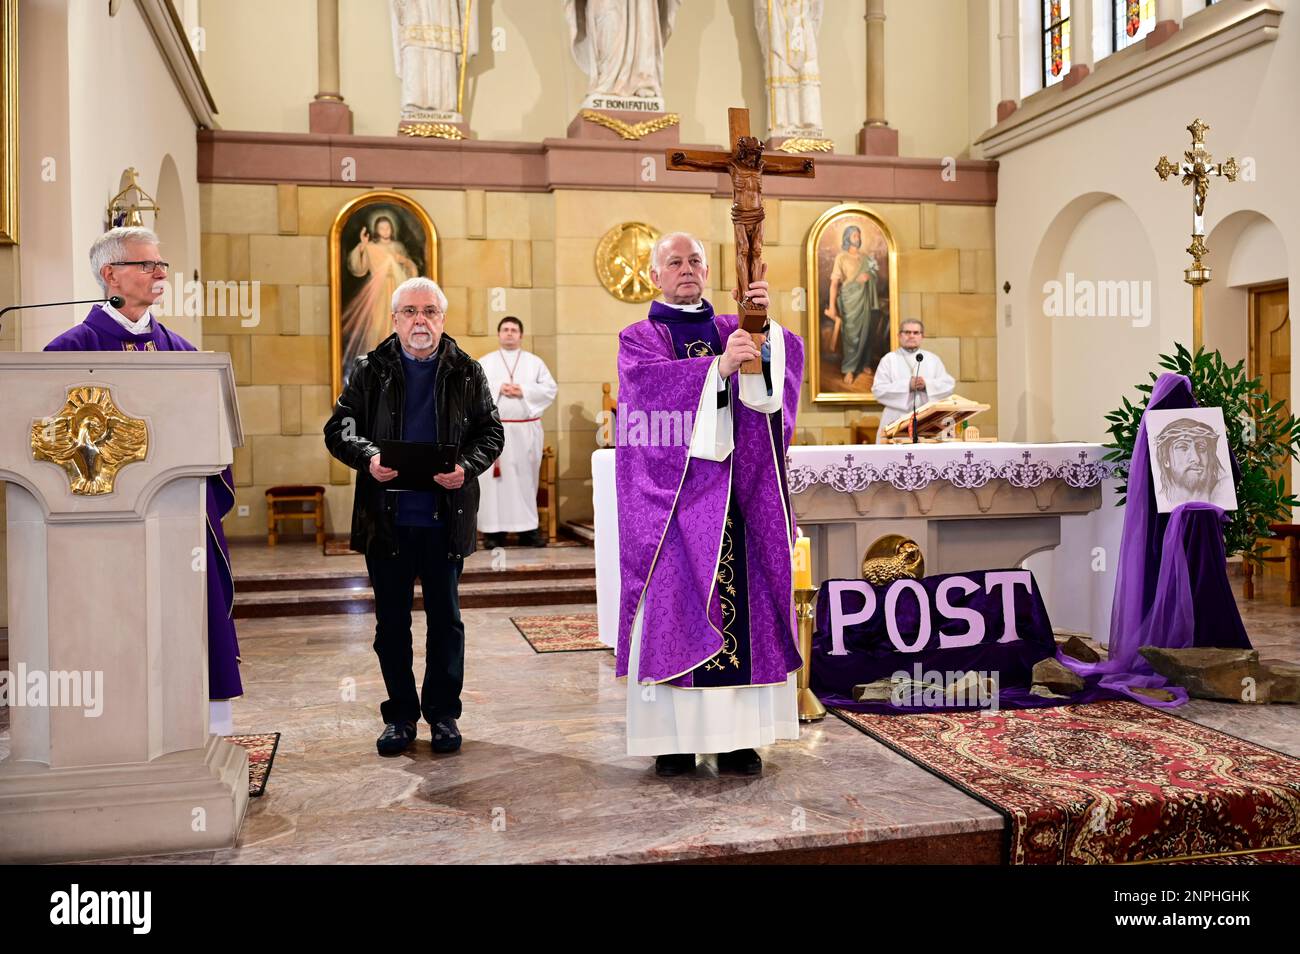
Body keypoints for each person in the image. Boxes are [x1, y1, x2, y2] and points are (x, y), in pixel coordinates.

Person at [615, 231, 804, 778]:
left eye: (695, 260)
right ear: (655, 275)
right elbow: (647, 402)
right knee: (676, 610)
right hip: (674, 501)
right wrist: (716, 370)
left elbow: (771, 396)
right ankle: (672, 742)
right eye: (674, 262)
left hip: (737, 498)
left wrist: (765, 329)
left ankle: (737, 739)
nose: (686, 269)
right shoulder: (640, 337)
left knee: (743, 608)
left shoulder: (731, 325)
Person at [44, 226, 242, 733]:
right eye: (147, 265)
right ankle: (106, 724)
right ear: (110, 274)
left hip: (179, 519)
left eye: (162, 265)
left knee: (190, 614)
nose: (160, 274)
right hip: (102, 524)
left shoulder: (185, 353)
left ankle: (204, 724)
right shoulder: (69, 351)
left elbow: (212, 433)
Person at [324, 277, 504, 756]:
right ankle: (400, 716)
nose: (419, 320)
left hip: (445, 517)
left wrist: (466, 468)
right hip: (388, 520)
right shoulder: (370, 369)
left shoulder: (467, 371)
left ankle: (444, 715)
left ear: (443, 319)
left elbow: (491, 433)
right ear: (395, 319)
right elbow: (339, 429)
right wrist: (368, 458)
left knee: (446, 621)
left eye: (429, 311)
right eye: (409, 312)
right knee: (391, 624)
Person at [477, 316, 558, 548]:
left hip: (526, 431)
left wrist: (523, 389)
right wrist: (498, 388)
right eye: (505, 329)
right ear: (499, 334)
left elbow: (550, 389)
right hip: (494, 432)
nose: (509, 333)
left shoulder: (535, 362)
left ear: (521, 335)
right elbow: (472, 391)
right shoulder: (485, 362)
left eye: (514, 330)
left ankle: (528, 531)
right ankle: (494, 532)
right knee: (495, 483)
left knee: (525, 480)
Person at [870, 318, 955, 442]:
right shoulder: (889, 360)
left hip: (926, 420)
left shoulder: (932, 359)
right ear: (899, 335)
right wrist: (907, 386)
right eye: (907, 332)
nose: (911, 336)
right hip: (895, 419)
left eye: (916, 333)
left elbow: (948, 385)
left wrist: (927, 385)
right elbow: (878, 390)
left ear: (922, 336)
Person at [825, 224, 885, 386]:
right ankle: (849, 368)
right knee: (851, 336)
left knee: (866, 332)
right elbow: (834, 283)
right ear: (847, 238)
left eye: (859, 236)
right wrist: (832, 306)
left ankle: (863, 363)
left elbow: (875, 276)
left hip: (864, 300)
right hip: (849, 300)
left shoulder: (866, 258)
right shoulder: (841, 257)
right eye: (854, 236)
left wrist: (869, 277)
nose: (857, 238)